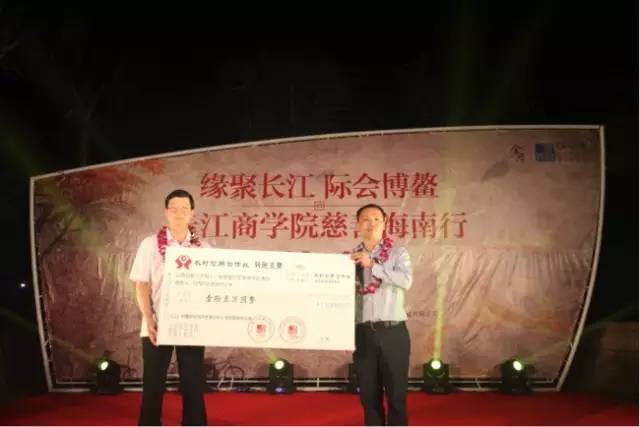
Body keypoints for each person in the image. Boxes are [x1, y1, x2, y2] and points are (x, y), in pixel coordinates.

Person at [129, 189, 208, 426]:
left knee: (193, 382)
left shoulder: (204, 247)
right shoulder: (150, 244)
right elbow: (141, 284)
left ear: (192, 212)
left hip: (191, 323)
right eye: (174, 208)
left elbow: (211, 285)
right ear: (166, 211)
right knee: (153, 382)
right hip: (157, 323)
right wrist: (149, 319)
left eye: (184, 208)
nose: (179, 213)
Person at [350, 203, 413, 426]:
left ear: (385, 223)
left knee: (397, 394)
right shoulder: (349, 259)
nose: (372, 223)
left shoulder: (397, 253)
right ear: (358, 224)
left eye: (377, 219)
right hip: (363, 333)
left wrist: (373, 266)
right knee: (368, 396)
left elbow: (406, 281)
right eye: (366, 219)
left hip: (392, 331)